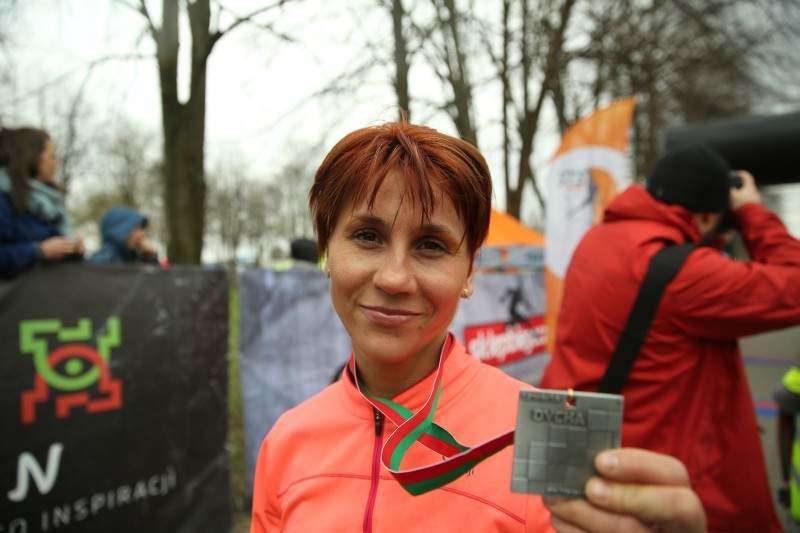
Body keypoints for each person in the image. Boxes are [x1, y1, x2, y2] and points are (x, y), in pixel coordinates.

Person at [250, 122, 706, 532]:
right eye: (368, 236)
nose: (394, 278)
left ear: (469, 270)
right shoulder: (286, 443)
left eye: (430, 245)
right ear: (327, 251)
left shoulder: (538, 436)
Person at [540, 145, 800, 531]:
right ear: (707, 216)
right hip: (664, 479)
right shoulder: (684, 274)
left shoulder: (596, 240)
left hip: (589, 457)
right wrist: (750, 211)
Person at [0, 127, 84, 278]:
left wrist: (72, 250)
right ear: (33, 157)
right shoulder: (4, 198)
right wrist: (38, 251)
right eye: (52, 156)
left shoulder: (51, 203)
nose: (56, 163)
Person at [88, 206, 159, 265]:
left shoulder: (134, 258)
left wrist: (150, 258)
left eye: (141, 229)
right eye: (136, 229)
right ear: (120, 231)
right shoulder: (102, 262)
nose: (141, 234)